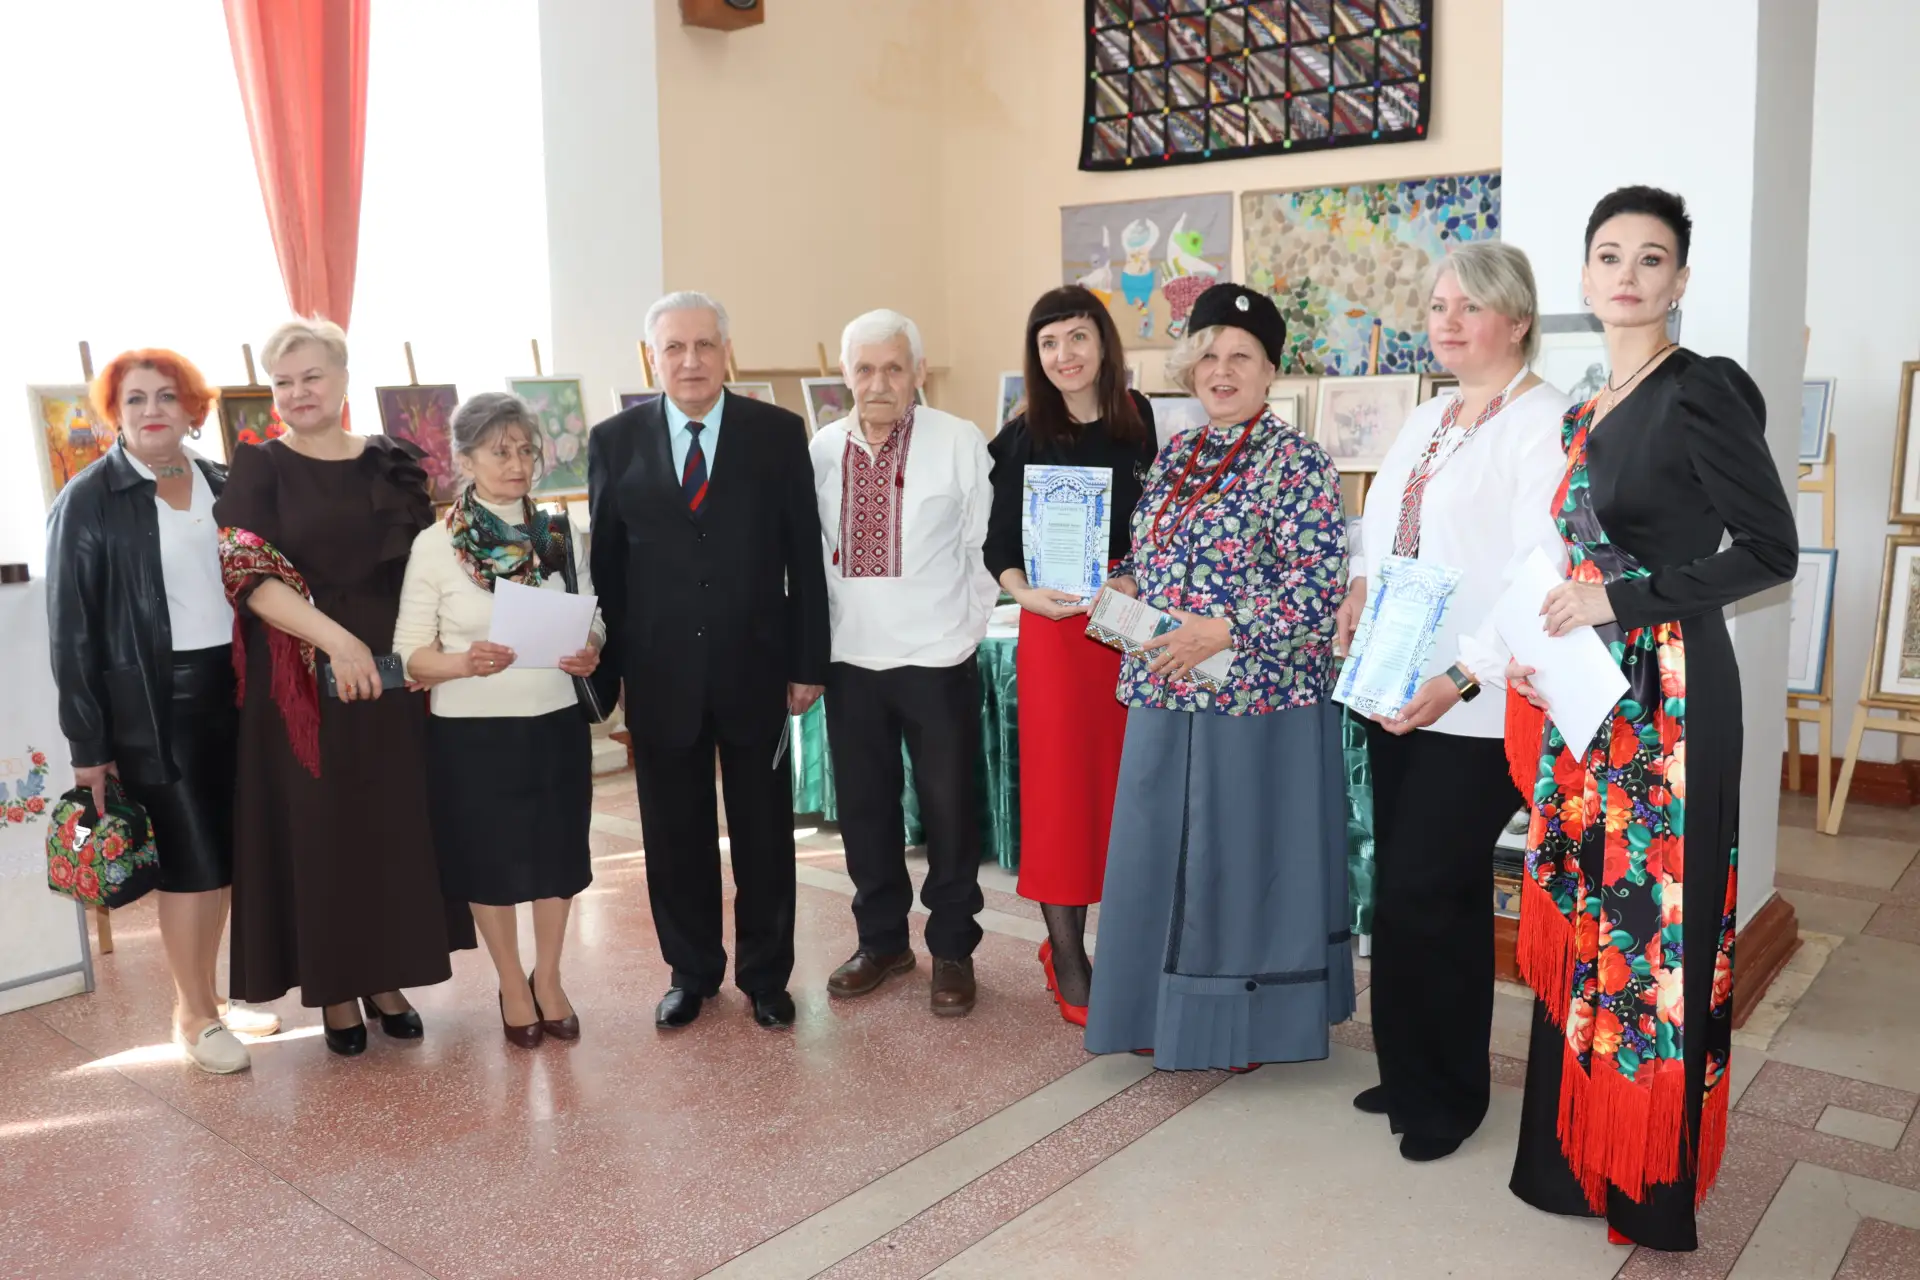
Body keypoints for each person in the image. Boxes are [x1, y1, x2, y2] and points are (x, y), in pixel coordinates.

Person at [1505, 187, 1796, 1252]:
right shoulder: (1590, 407)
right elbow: (1579, 561)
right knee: (1592, 919)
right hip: (1592, 694)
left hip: (1670, 697)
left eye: (1651, 257)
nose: (1627, 274)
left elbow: (1767, 550)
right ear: (1585, 278)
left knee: (1653, 941)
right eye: (1609, 255)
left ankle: (1645, 1182)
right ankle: (1571, 1158)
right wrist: (1544, 642)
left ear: (1680, 279)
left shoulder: (1701, 388)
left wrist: (1617, 603)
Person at [1334, 243, 1573, 1161]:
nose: (1447, 321)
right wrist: (1360, 586)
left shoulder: (1543, 422)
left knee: (1432, 891)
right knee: (1405, 889)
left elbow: (1536, 575)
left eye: (1469, 306)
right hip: (1398, 685)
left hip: (1475, 704)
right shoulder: (1431, 414)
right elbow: (1383, 525)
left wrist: (1462, 678)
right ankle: (1408, 1069)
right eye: (1438, 305)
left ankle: (1450, 1095)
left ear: (1518, 319)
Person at [1084, 283, 1352, 1070]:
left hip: (1255, 699)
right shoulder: (1177, 455)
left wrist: (1225, 629)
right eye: (1208, 356)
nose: (1222, 371)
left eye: (1241, 357)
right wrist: (1124, 585)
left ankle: (1242, 1028)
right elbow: (1151, 555)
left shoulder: (1298, 461)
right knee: (1156, 857)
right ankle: (1152, 1012)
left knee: (1235, 868)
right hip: (1166, 687)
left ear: (1271, 371)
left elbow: (1317, 585)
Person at [214, 318, 474, 1057]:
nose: (298, 392)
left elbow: (429, 567)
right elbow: (248, 578)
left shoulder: (391, 461)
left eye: (312, 377)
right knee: (322, 831)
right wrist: (337, 640)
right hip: (300, 680)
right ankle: (335, 991)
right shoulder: (260, 467)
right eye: (283, 382)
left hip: (392, 676)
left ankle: (386, 980)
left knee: (387, 824)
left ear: (343, 379)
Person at [588, 291, 829, 1032]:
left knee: (765, 835)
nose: (690, 361)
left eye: (704, 346)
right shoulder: (614, 440)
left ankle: (766, 975)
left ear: (727, 352)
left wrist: (808, 661)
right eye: (674, 347)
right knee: (673, 836)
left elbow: (804, 559)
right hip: (660, 676)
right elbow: (607, 568)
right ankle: (690, 973)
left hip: (757, 671)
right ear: (651, 358)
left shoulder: (776, 434)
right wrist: (610, 675)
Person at [45, 349, 279, 1074]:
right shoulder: (88, 499)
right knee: (191, 862)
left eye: (167, 397)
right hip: (152, 704)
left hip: (235, 690)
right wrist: (89, 745)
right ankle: (193, 1015)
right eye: (136, 399)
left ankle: (211, 996)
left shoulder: (225, 481)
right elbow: (70, 632)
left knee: (227, 857)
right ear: (114, 413)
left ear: (193, 409)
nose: (152, 411)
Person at [393, 393, 604, 1048]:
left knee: (558, 856)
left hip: (554, 721)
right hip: (472, 732)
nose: (517, 464)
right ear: (465, 460)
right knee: (489, 862)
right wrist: (464, 662)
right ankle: (512, 982)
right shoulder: (435, 546)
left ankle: (551, 978)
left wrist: (591, 646)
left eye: (526, 450)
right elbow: (409, 656)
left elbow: (594, 614)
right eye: (499, 451)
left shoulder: (559, 534)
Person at [810, 309, 998, 1017]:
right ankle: (882, 941)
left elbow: (983, 548)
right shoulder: (822, 449)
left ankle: (952, 948)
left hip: (938, 661)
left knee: (950, 811)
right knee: (865, 813)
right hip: (851, 661)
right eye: (865, 369)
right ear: (845, 374)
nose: (879, 383)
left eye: (894, 367)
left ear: (919, 371)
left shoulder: (957, 440)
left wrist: (963, 632)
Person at [984, 286, 1157, 1024]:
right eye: (1049, 343)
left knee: (1123, 788)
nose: (1065, 355)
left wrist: (1134, 574)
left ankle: (1128, 949)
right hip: (1054, 631)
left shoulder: (1139, 419)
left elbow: (1158, 524)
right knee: (1062, 793)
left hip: (1124, 624)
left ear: (1102, 343)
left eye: (1078, 337)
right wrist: (1025, 594)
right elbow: (998, 545)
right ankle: (1067, 954)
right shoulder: (1022, 436)